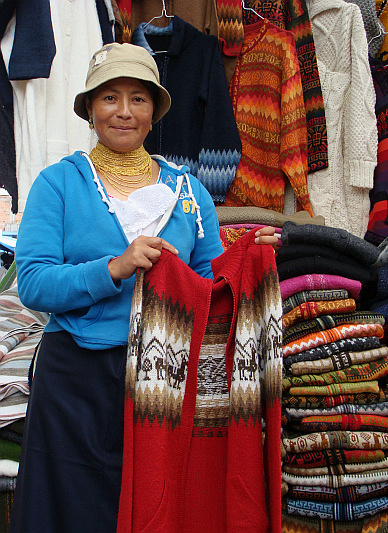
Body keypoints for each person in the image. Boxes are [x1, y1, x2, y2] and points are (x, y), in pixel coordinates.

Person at [9, 43, 278, 532]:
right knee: (72, 511)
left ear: (154, 110)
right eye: (110, 97)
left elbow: (210, 285)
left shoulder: (188, 192)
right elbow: (33, 282)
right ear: (89, 109)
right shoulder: (59, 184)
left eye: (138, 98)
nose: (124, 111)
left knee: (154, 506)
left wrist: (247, 255)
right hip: (76, 380)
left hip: (164, 383)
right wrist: (114, 267)